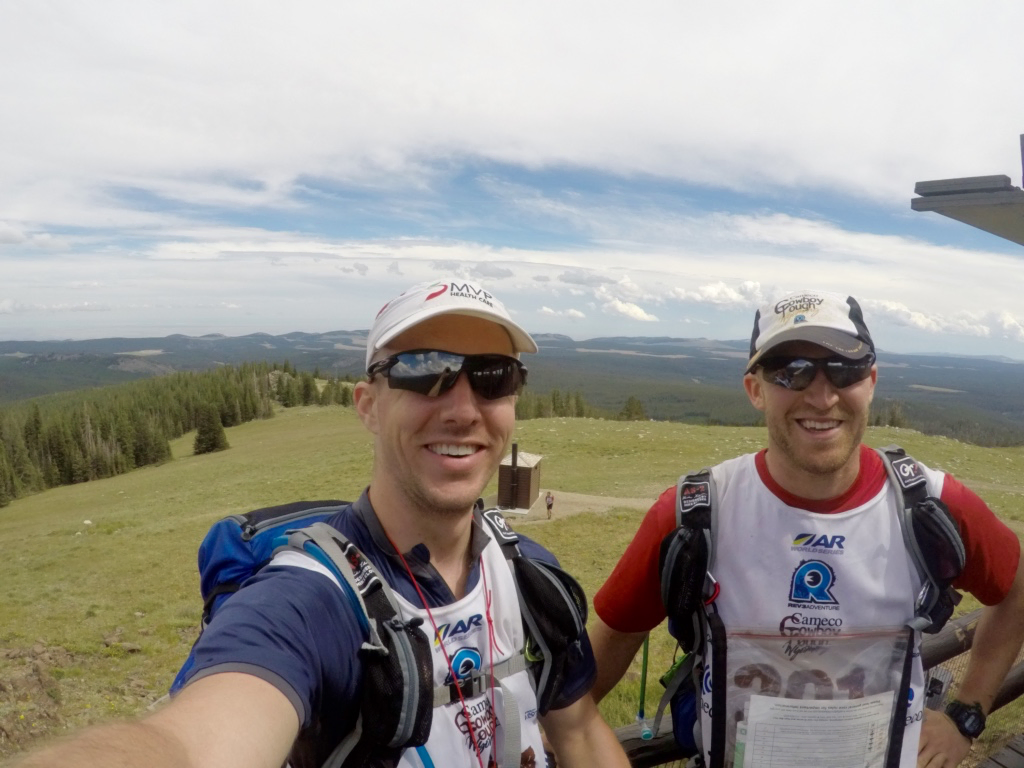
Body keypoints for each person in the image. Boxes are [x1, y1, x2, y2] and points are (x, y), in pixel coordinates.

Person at [15, 279, 631, 768]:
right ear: (367, 405)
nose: (464, 408)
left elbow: (577, 730)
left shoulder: (531, 576)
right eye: (423, 370)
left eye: (493, 377)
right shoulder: (308, 602)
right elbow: (191, 746)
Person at [588, 289, 1024, 768]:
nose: (821, 396)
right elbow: (593, 667)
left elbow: (1016, 590)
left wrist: (966, 715)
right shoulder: (694, 513)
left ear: (871, 382)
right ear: (755, 389)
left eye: (845, 369)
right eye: (790, 371)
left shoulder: (933, 505)